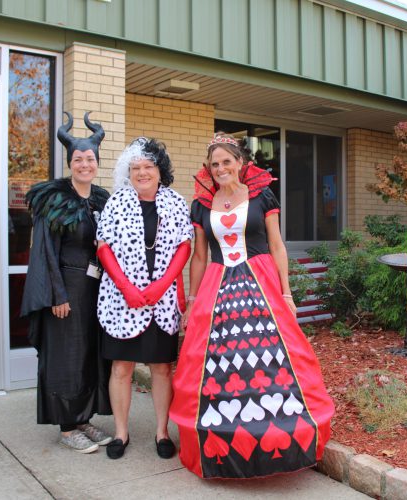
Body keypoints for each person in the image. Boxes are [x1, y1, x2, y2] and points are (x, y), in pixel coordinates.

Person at [170, 133, 335, 479]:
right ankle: (221, 444)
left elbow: (277, 245)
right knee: (219, 362)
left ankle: (282, 440)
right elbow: (199, 256)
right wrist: (194, 298)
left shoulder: (262, 196)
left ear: (240, 163)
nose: (220, 169)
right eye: (214, 164)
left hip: (260, 282)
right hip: (218, 285)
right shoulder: (201, 204)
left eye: (226, 162)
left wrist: (287, 293)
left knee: (275, 359)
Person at [21, 112, 112, 454]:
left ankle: (84, 417)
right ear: (70, 162)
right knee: (66, 357)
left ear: (97, 162)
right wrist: (56, 294)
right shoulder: (54, 199)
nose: (84, 164)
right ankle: (66, 426)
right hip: (65, 289)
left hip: (96, 292)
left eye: (90, 159)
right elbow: (44, 250)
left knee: (90, 354)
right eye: (78, 159)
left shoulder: (102, 199)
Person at [96, 137, 193, 459]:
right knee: (121, 368)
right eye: (135, 168)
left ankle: (162, 432)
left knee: (161, 368)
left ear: (159, 170)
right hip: (121, 301)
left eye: (148, 166)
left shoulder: (176, 202)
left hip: (161, 302)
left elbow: (184, 246)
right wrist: (126, 288)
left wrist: (161, 286)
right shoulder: (117, 201)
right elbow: (103, 246)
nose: (142, 172)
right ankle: (121, 434)